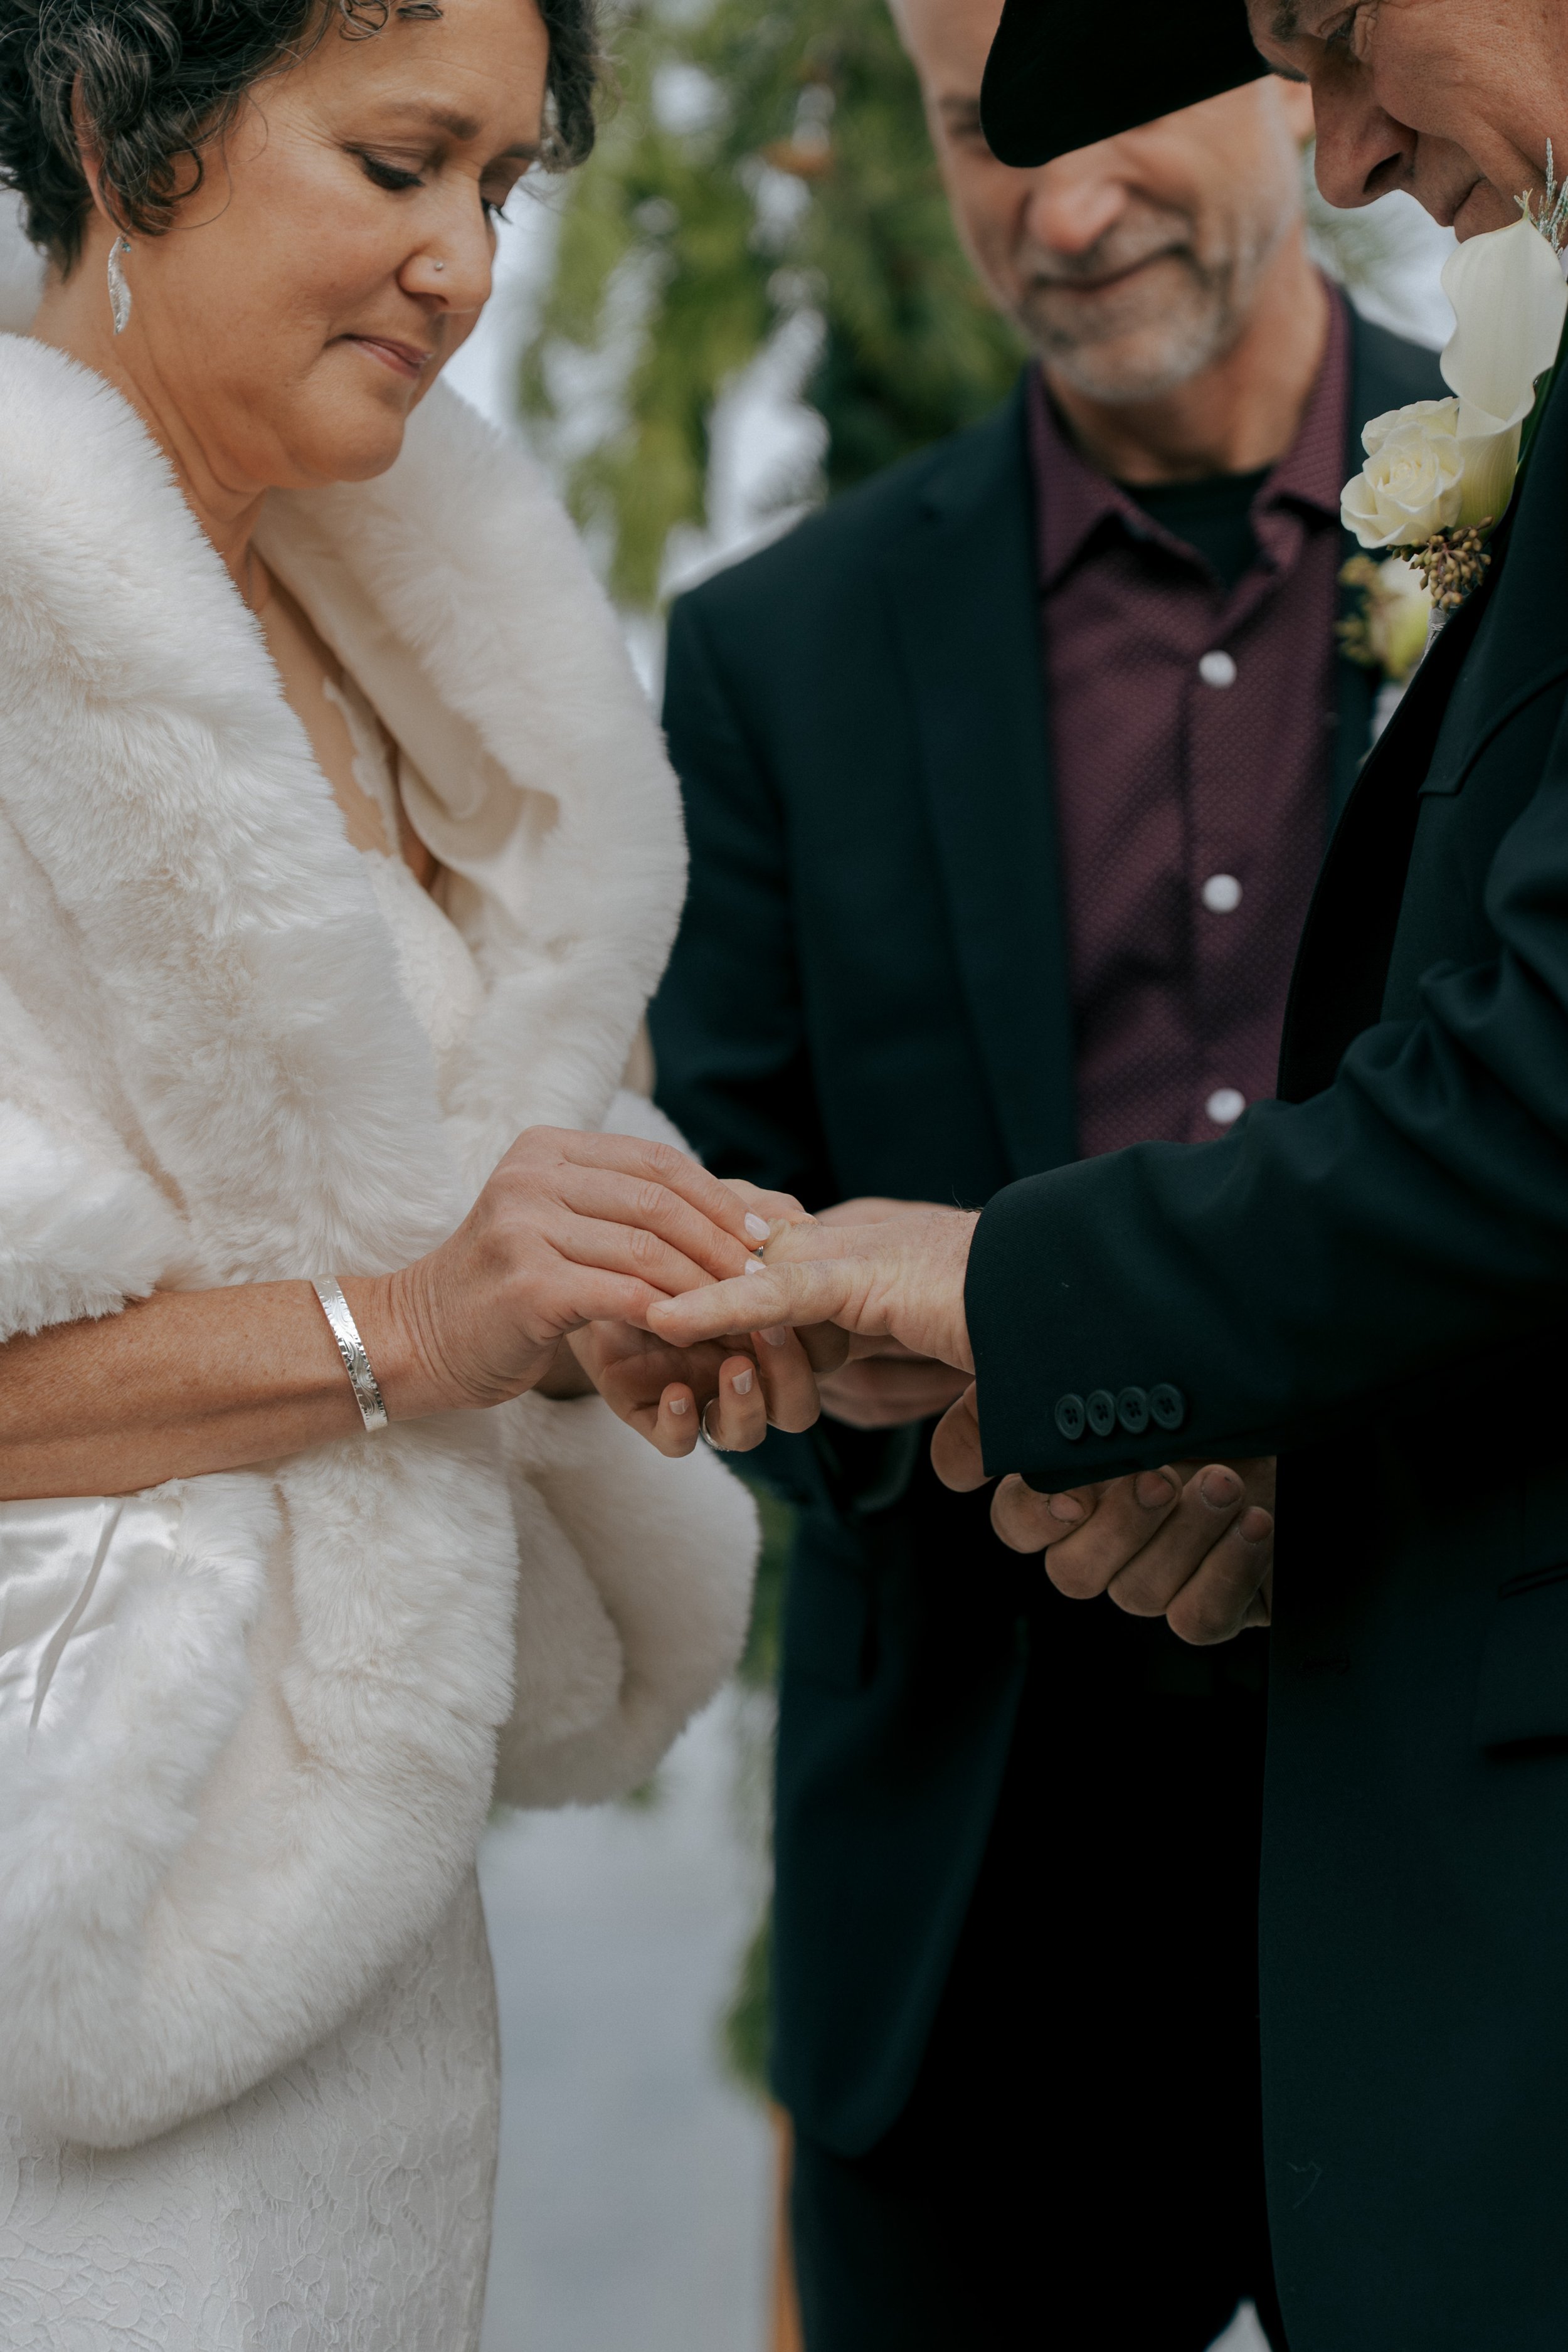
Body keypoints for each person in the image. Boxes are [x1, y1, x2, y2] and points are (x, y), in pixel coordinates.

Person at [653, 1, 1568, 2345]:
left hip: (1479, 1856)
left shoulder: (1516, 475)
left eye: (1102, 112)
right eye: (979, 134)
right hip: (988, 1907)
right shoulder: (776, 648)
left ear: (1263, 72)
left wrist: (1309, 1457)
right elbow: (744, 1219)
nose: (1056, 202)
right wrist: (1092, 1457)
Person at [0, 1, 819, 2341]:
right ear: (107, 121)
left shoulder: (390, 629)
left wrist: (665, 1296)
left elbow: (460, 1209)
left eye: (507, 184)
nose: (462, 262)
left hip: (360, 1927)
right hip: (63, 1906)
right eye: (396, 164)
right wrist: (410, 1335)